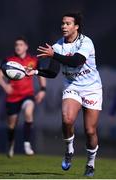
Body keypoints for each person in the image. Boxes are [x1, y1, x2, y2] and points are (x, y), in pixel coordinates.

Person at [26, 12, 102, 177]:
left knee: (90, 131)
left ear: (76, 27)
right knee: (67, 119)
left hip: (92, 88)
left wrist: (54, 55)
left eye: (68, 23)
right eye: (63, 23)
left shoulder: (86, 42)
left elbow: (76, 61)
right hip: (72, 86)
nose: (64, 26)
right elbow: (53, 72)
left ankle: (90, 163)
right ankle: (69, 151)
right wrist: (36, 71)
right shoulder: (58, 45)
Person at [0, 37, 46, 157]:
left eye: (21, 44)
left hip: (27, 95)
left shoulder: (33, 60)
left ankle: (27, 144)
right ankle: (10, 144)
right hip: (12, 97)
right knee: (11, 125)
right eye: (16, 45)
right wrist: (4, 86)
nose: (18, 47)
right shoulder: (9, 60)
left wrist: (43, 89)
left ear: (26, 47)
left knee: (29, 112)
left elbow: (40, 74)